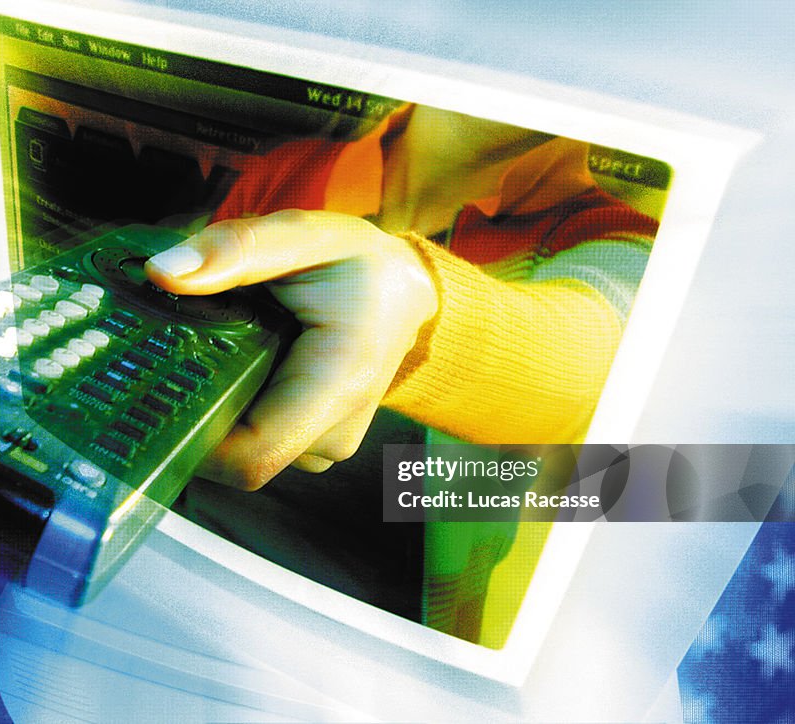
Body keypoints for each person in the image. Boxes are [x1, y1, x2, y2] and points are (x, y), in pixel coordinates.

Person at [145, 104, 659, 642]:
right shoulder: (290, 169)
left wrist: (424, 313)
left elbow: (595, 346)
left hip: (367, 635)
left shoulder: (620, 240)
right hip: (160, 542)